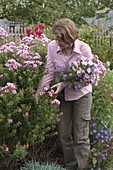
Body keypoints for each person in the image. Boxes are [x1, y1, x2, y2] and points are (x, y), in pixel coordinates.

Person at [35, 18, 92, 170]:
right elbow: (49, 71)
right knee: (64, 134)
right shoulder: (52, 47)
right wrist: (40, 93)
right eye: (56, 39)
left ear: (70, 37)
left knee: (80, 136)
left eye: (61, 40)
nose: (58, 42)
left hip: (82, 95)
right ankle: (70, 166)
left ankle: (83, 167)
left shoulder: (84, 49)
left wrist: (66, 83)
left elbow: (89, 79)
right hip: (63, 96)